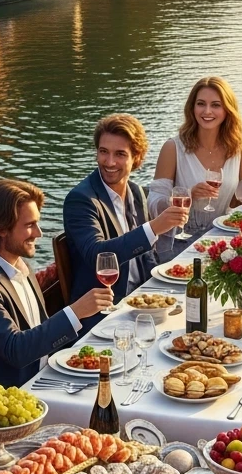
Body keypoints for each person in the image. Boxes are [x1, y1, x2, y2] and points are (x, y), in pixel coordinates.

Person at [0, 181, 113, 387]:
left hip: (45, 379)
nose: (38, 233)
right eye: (30, 225)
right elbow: (16, 351)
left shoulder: (21, 265)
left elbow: (39, 332)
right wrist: (75, 312)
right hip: (13, 399)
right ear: (1, 228)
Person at [63, 114, 184, 326]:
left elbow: (147, 257)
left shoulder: (136, 191)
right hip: (103, 315)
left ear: (137, 158)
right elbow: (97, 254)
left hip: (141, 301)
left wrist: (164, 296)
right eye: (103, 152)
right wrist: (154, 227)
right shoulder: (81, 199)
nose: (109, 162)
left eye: (120, 154)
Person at [148, 77, 242, 252]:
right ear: (192, 108)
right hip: (179, 245)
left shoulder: (237, 147)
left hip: (222, 243)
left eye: (216, 105)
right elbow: (153, 205)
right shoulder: (173, 148)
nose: (207, 111)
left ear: (227, 109)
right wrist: (189, 196)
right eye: (201, 104)